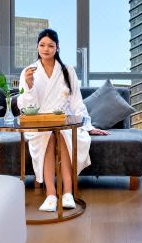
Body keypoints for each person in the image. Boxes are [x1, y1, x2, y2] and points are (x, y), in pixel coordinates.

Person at [17, 28, 108, 212]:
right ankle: (51, 194)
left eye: (51, 45)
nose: (46, 49)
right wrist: (29, 85)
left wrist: (87, 125)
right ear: (37, 47)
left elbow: (76, 101)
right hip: (41, 122)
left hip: (64, 120)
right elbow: (25, 106)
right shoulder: (29, 71)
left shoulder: (67, 70)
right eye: (42, 45)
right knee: (48, 137)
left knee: (63, 135)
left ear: (57, 48)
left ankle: (67, 192)